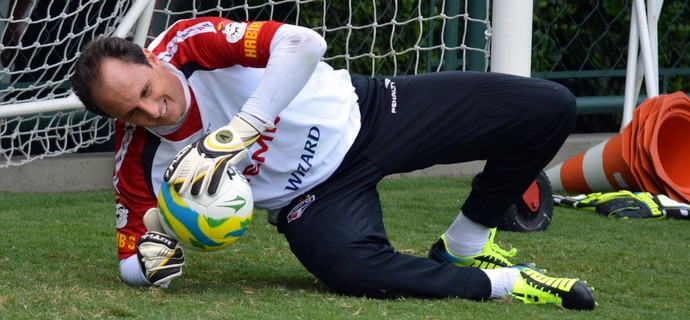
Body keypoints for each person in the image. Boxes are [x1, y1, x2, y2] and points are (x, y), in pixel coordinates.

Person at [71, 16, 595, 310]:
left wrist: (242, 130)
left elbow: (304, 43)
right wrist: (156, 258)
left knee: (549, 107)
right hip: (313, 200)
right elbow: (129, 260)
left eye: (146, 89)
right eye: (131, 112)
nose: (151, 109)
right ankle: (503, 284)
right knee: (350, 270)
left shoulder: (190, 43)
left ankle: (465, 246)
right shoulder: (135, 158)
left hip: (368, 110)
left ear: (152, 58)